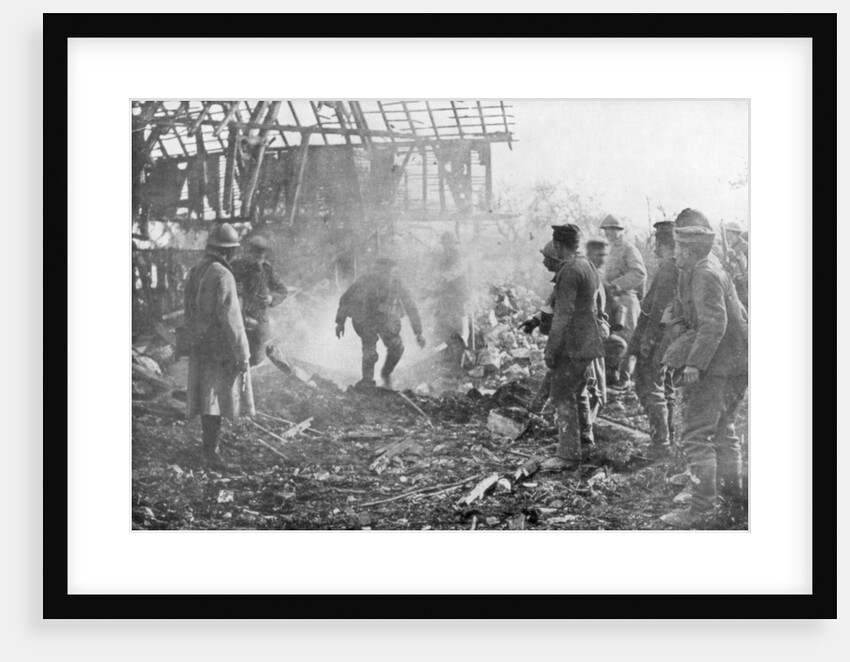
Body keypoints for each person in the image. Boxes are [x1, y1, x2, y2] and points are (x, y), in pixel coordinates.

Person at [660, 221, 748, 528]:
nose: (673, 253)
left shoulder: (705, 274)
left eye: (677, 247)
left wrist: (695, 364)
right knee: (724, 429)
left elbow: (714, 324)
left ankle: (702, 509)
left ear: (687, 249)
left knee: (697, 434)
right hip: (735, 363)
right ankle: (734, 497)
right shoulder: (705, 268)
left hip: (717, 366)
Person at [183, 223, 254, 471]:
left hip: (200, 344)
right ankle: (211, 453)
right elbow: (232, 319)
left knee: (206, 398)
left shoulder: (196, 270)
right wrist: (243, 353)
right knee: (214, 399)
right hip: (218, 347)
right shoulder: (222, 274)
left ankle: (209, 450)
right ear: (230, 251)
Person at [540, 224, 605, 472]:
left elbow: (563, 315)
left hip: (573, 344)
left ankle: (568, 455)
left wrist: (551, 348)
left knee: (561, 394)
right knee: (579, 392)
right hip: (588, 340)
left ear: (557, 245)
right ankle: (586, 443)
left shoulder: (569, 270)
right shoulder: (587, 265)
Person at [629, 220, 679, 459]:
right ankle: (667, 439)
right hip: (668, 337)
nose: (654, 248)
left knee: (649, 384)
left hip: (659, 336)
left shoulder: (669, 268)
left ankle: (660, 444)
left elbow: (657, 309)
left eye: (657, 242)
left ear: (663, 242)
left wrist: (647, 341)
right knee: (664, 386)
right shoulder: (675, 266)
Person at [335, 256, 426, 389]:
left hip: (384, 320)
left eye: (385, 271)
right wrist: (340, 322)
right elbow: (346, 298)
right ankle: (368, 380)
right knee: (371, 350)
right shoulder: (366, 279)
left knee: (393, 347)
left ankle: (382, 375)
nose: (382, 274)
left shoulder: (395, 282)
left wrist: (418, 332)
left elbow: (409, 305)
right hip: (365, 318)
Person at [600, 214, 647, 389]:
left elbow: (639, 274)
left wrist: (617, 285)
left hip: (626, 299)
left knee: (628, 338)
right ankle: (612, 377)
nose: (609, 233)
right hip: (610, 301)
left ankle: (625, 378)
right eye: (606, 230)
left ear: (620, 231)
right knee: (612, 339)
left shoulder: (629, 249)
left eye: (613, 230)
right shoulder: (607, 250)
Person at [231, 235, 288, 366]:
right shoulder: (235, 266)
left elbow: (282, 290)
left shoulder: (266, 269)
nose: (258, 261)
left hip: (258, 320)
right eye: (256, 256)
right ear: (248, 252)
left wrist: (270, 298)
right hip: (237, 318)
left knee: (256, 358)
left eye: (262, 257)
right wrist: (234, 288)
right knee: (235, 356)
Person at [431, 231, 470, 367]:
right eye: (445, 245)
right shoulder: (445, 256)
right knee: (447, 328)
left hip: (458, 297)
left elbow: (455, 272)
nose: (446, 247)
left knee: (458, 329)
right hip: (449, 298)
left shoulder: (458, 255)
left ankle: (459, 361)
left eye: (448, 244)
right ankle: (452, 359)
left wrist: (441, 279)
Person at [722, 220, 749, 308]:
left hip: (743, 284)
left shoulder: (745, 246)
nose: (726, 233)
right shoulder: (730, 245)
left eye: (727, 231)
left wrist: (744, 277)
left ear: (734, 233)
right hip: (733, 282)